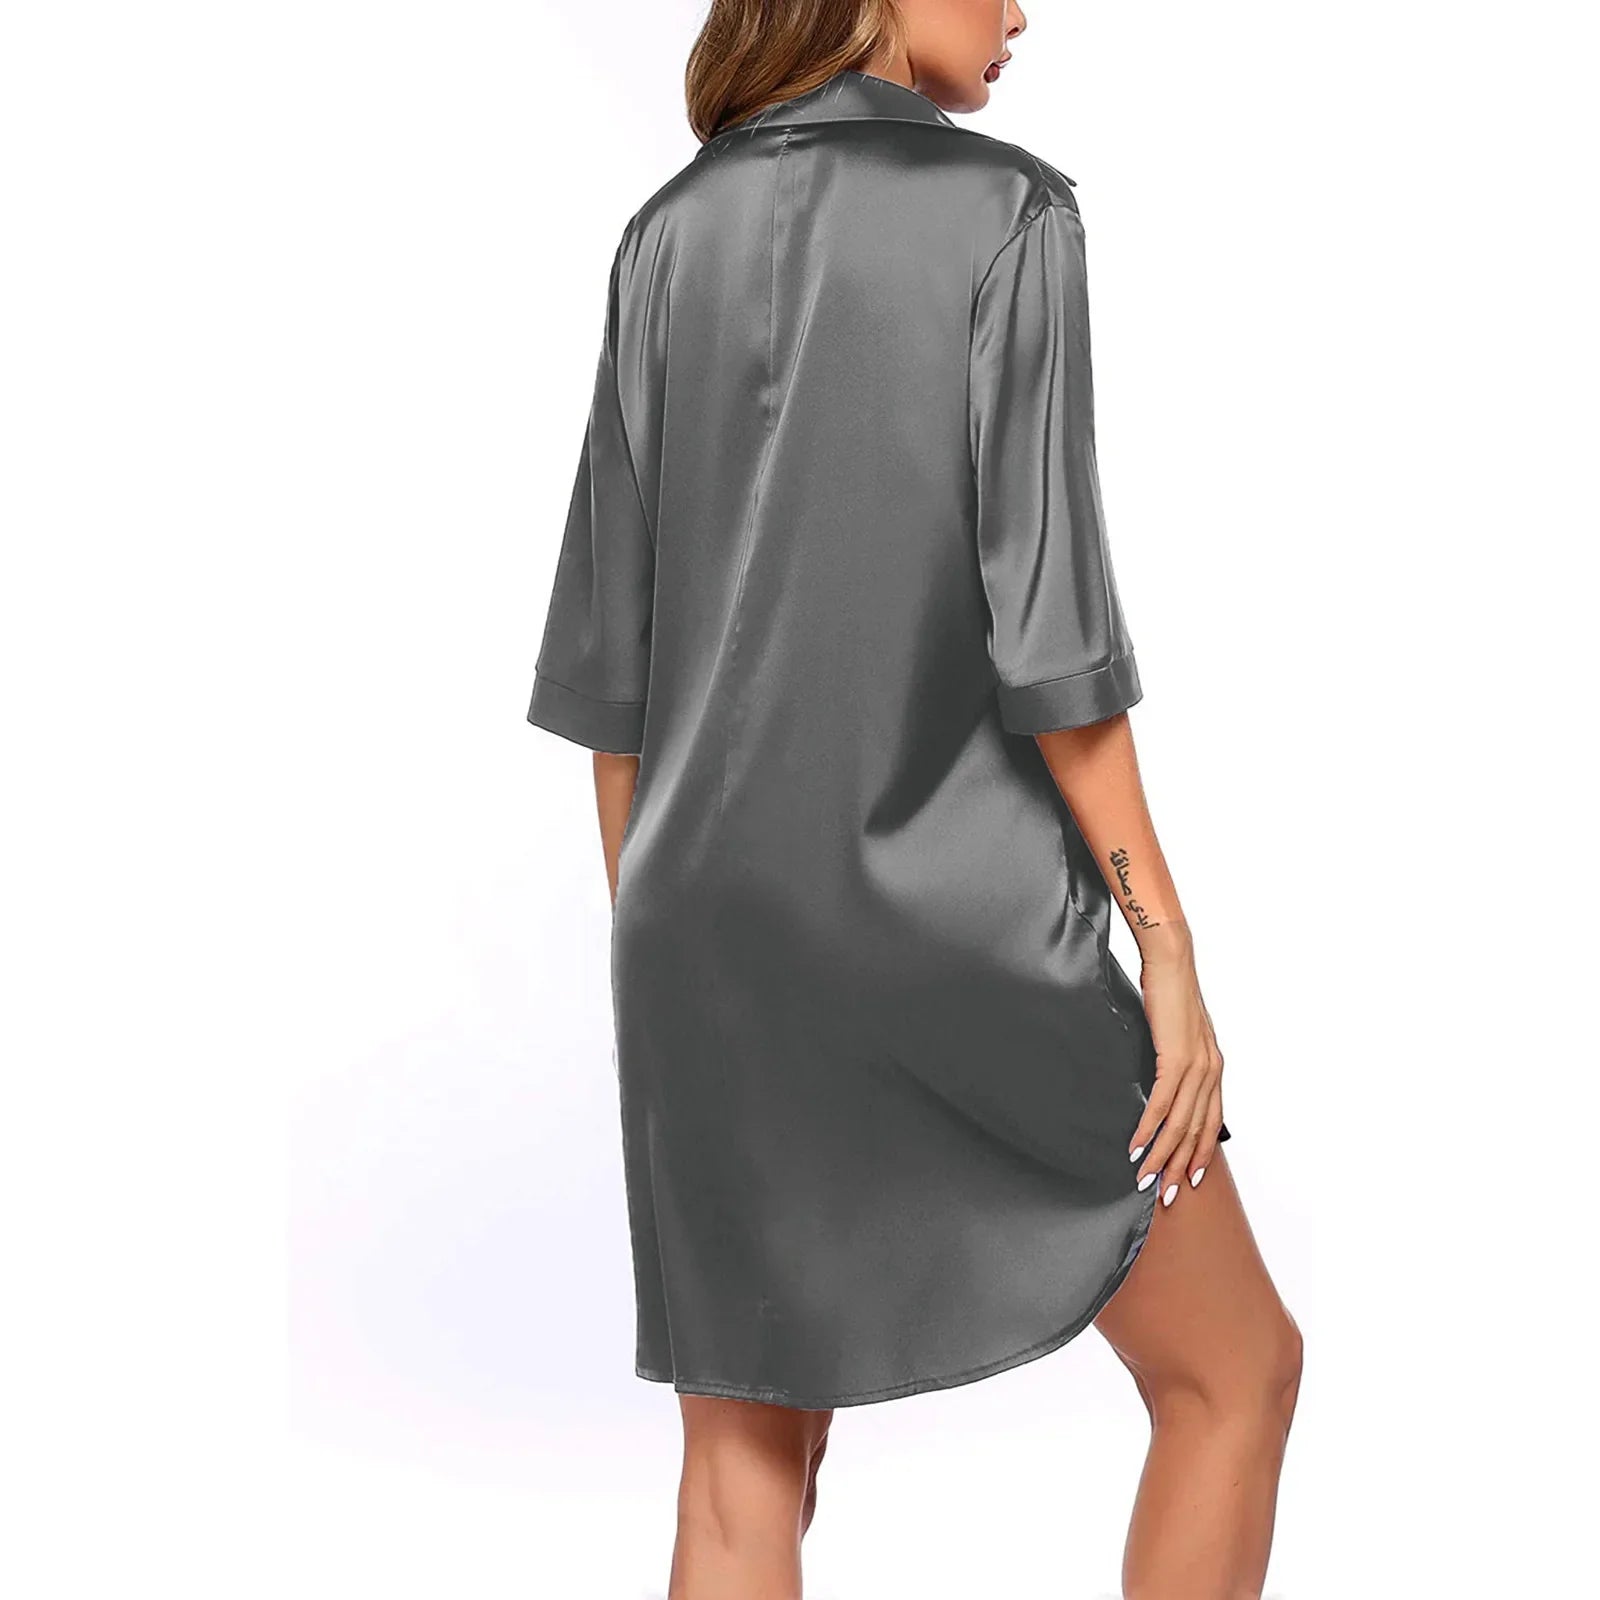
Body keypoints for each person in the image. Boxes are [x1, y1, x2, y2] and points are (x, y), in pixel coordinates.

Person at [525, 3, 1302, 1596]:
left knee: (744, 1478)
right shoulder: (1007, 212)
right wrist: (1166, 948)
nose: (1020, 12)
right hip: (954, 930)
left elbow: (613, 676)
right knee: (1235, 1374)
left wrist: (677, 976)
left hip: (701, 944)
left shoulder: (664, 235)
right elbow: (1054, 649)